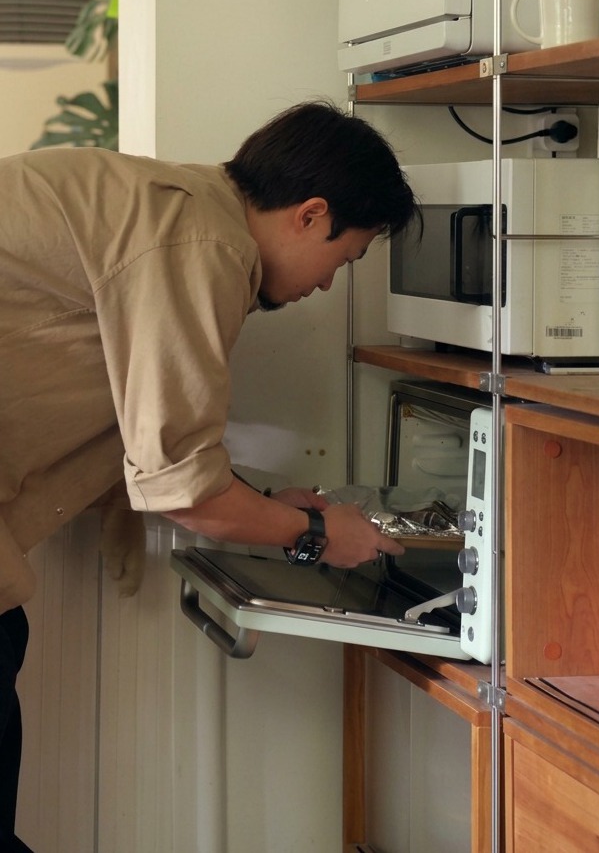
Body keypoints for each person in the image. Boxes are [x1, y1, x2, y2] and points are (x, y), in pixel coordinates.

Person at [0, 99, 421, 850]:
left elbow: (157, 449)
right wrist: (319, 533)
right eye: (347, 257)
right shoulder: (205, 243)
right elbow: (181, 486)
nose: (328, 286)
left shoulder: (174, 210)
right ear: (311, 214)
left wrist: (262, 503)